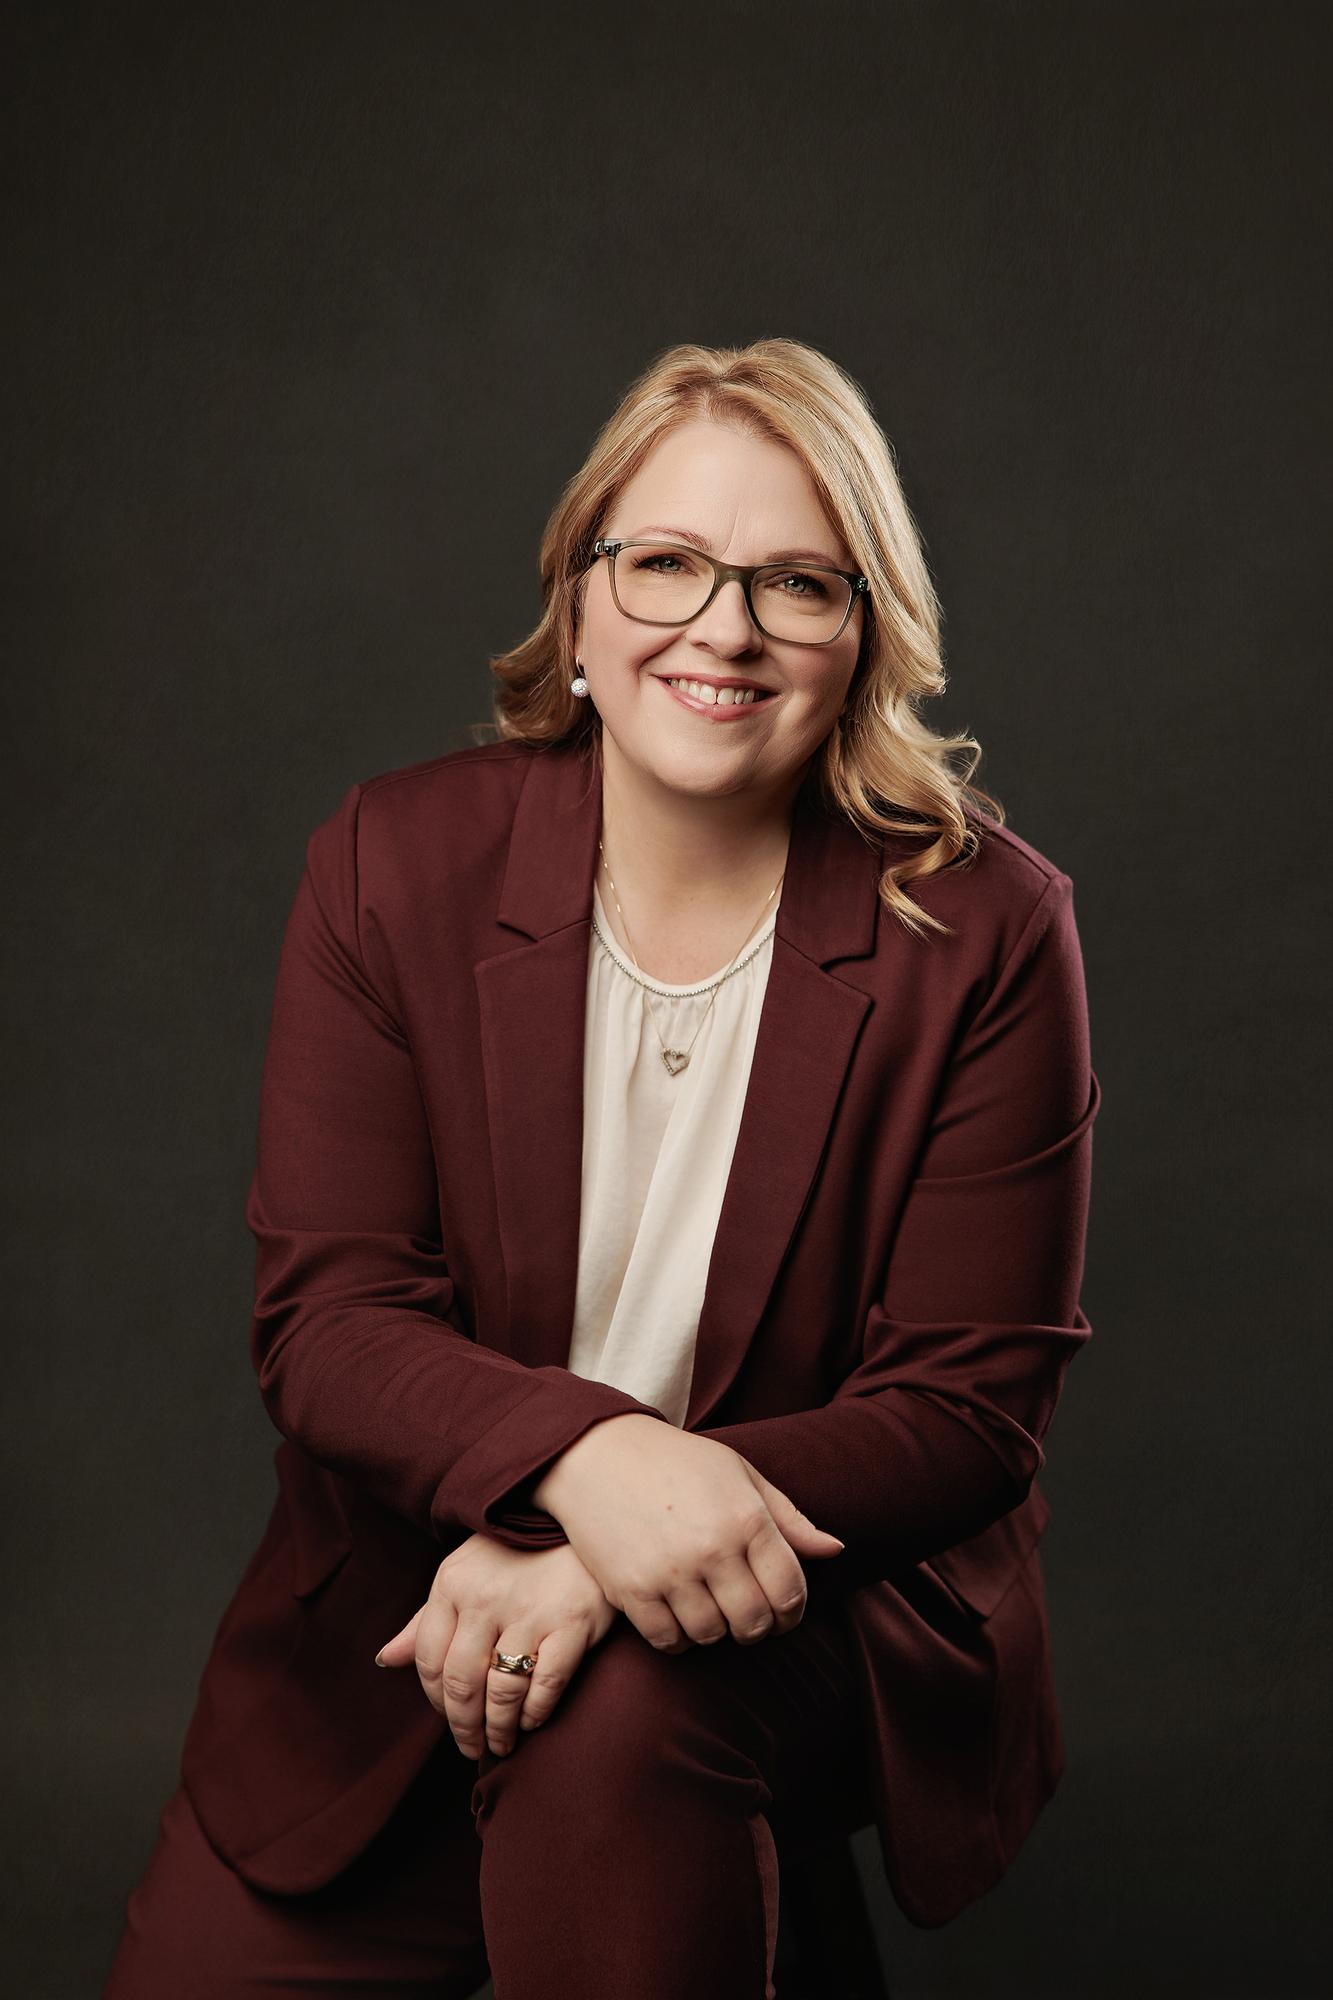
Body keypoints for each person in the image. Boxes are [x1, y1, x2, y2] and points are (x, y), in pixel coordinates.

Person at [102, 337, 1099, 1998]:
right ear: (578, 605)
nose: (723, 627)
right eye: (667, 565)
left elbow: (967, 1406)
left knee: (630, 1727)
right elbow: (331, 1319)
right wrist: (591, 1468)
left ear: (861, 633)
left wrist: (602, 1567)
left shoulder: (986, 928)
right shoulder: (390, 863)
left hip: (791, 1626)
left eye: (795, 581)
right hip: (414, 1624)